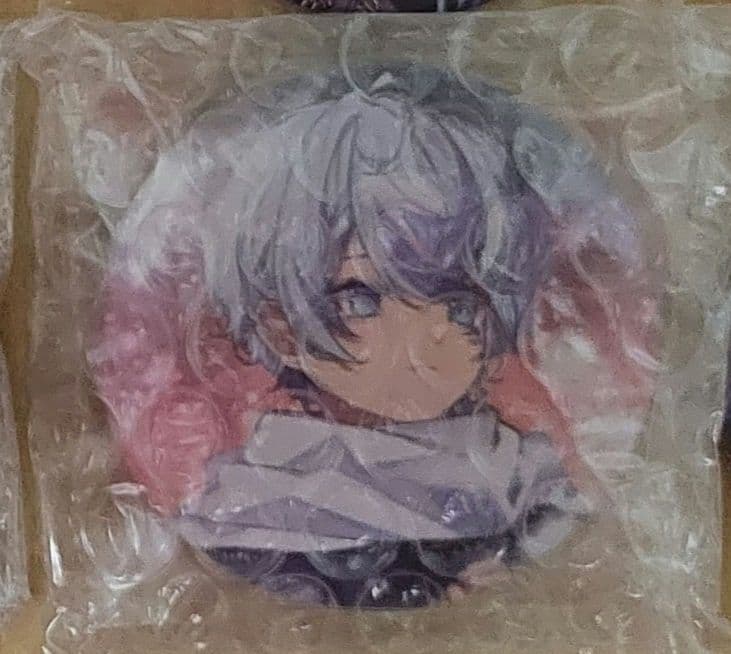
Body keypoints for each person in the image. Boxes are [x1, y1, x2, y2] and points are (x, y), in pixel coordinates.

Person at [88, 66, 651, 608]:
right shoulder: (256, 490)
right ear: (280, 327)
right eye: (361, 301)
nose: (424, 338)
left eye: (459, 307)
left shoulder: (522, 477)